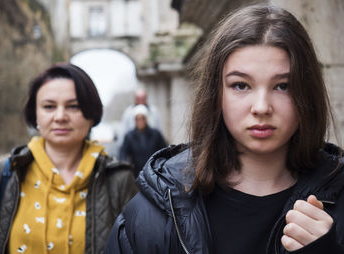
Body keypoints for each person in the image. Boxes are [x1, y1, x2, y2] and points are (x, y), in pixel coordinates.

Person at [104, 4, 344, 254]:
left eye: (283, 86)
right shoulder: (153, 216)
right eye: (241, 85)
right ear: (216, 94)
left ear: (307, 93)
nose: (261, 107)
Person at [0, 63, 138, 254]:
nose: (60, 116)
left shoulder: (118, 179)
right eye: (49, 106)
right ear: (35, 114)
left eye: (73, 106)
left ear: (91, 115)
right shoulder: (8, 172)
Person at [119, 105, 167, 178]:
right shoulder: (129, 136)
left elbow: (164, 150)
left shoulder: (155, 134)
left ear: (146, 119)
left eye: (142, 118)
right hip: (136, 173)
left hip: (153, 172)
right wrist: (126, 167)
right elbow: (123, 153)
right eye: (137, 119)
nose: (140, 121)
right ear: (135, 120)